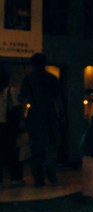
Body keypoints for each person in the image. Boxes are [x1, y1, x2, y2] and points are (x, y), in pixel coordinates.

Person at [19, 53, 64, 187]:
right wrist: (61, 114)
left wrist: (23, 117)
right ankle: (49, 169)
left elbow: (25, 100)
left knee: (35, 146)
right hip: (50, 114)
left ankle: (38, 177)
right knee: (51, 144)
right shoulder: (52, 78)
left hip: (34, 115)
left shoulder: (28, 79)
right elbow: (58, 99)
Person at [0, 68, 24, 187]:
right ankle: (15, 178)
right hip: (9, 125)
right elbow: (16, 107)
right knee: (12, 151)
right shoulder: (11, 91)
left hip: (3, 124)